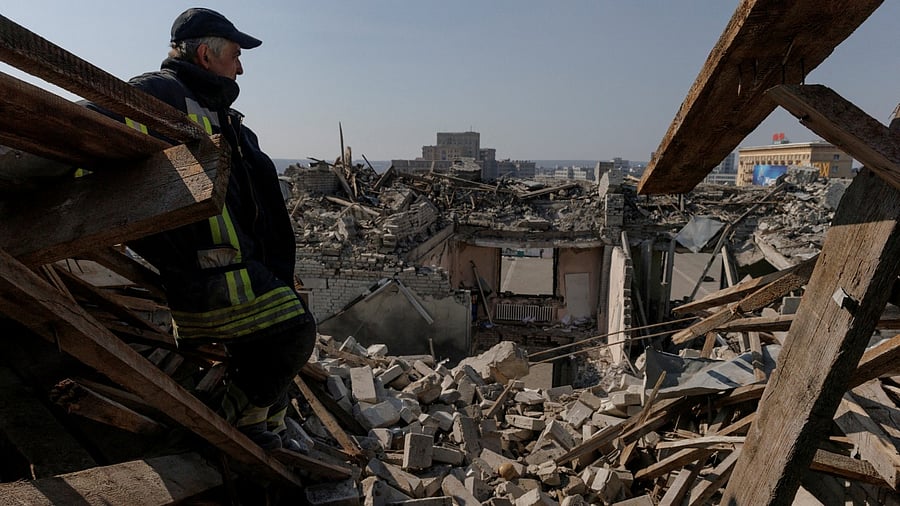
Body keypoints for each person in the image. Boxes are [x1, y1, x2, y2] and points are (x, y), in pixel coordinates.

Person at [102, 8, 317, 450]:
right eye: (235, 55)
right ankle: (220, 423)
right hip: (209, 274)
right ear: (205, 54)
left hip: (237, 268)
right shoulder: (161, 93)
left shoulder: (224, 117)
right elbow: (82, 127)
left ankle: (262, 427)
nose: (241, 67)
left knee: (266, 348)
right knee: (296, 331)